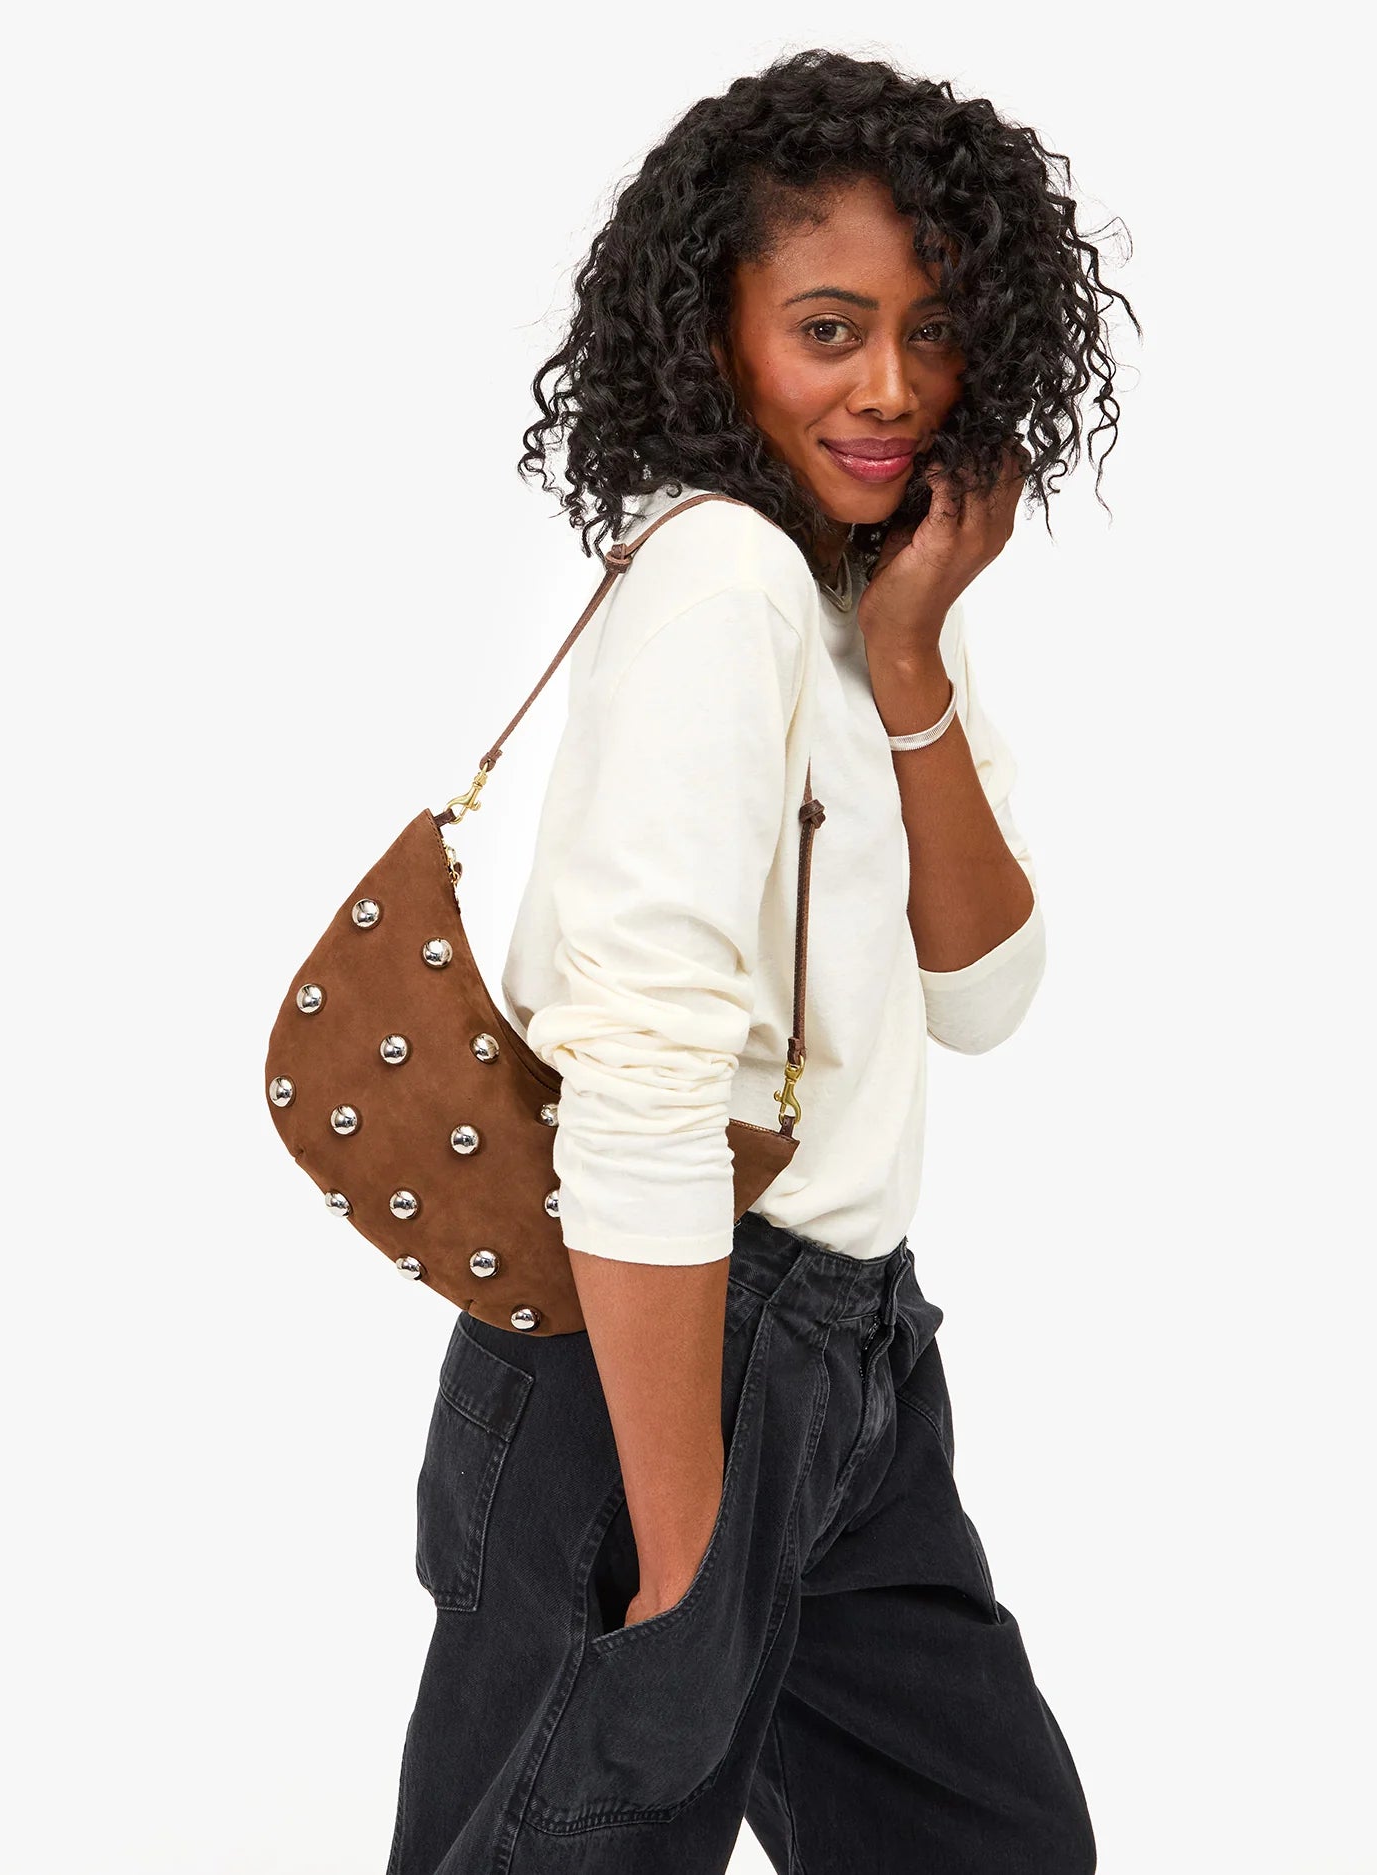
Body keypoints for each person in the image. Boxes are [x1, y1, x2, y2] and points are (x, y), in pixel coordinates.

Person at [385, 46, 1137, 1875]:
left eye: (935, 334)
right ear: (712, 332)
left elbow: (984, 995)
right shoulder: (720, 578)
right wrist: (690, 1545)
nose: (891, 389)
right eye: (827, 329)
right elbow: (636, 1082)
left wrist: (909, 662)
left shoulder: (844, 605)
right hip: (657, 1362)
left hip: (854, 1365)